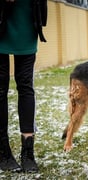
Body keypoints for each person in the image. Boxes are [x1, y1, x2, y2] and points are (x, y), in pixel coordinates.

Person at [0, 0, 47, 173]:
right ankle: (3, 153)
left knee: (26, 86)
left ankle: (28, 153)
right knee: (0, 88)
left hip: (28, 18)